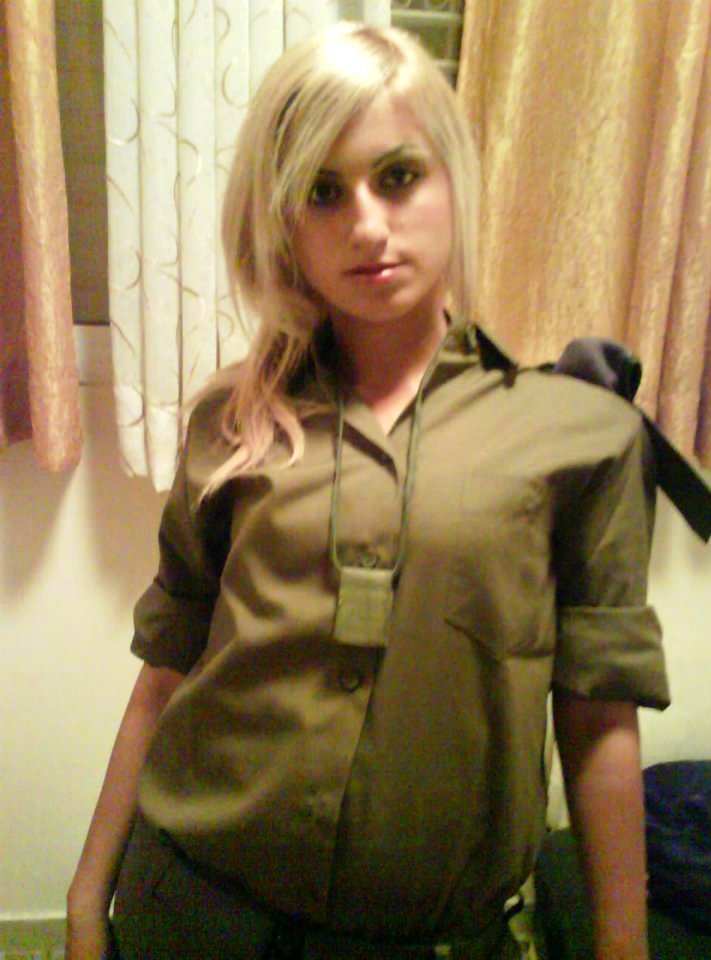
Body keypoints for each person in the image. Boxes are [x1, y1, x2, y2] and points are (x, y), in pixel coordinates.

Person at [66, 21, 670, 960]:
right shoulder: (233, 420)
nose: (367, 224)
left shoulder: (581, 434)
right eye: (322, 191)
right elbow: (167, 670)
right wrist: (84, 896)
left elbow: (598, 713)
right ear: (282, 222)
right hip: (191, 913)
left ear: (452, 180)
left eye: (397, 176)